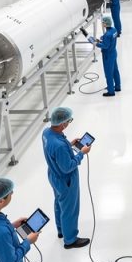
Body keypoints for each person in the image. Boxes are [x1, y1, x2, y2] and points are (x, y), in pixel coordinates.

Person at [41, 106, 91, 248]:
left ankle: (61, 230)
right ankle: (70, 239)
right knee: (70, 208)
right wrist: (82, 152)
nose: (69, 123)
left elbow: (55, 152)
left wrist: (70, 144)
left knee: (59, 203)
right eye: (68, 121)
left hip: (53, 175)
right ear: (63, 124)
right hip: (66, 180)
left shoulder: (46, 133)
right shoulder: (59, 146)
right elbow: (68, 166)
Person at [95, 16, 120, 97]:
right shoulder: (114, 30)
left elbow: (105, 46)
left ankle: (111, 91)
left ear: (105, 24)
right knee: (115, 71)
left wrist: (96, 43)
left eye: (103, 22)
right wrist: (102, 40)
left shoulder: (107, 34)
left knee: (108, 73)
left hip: (107, 55)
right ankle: (117, 86)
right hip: (113, 52)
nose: (102, 24)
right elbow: (109, 41)